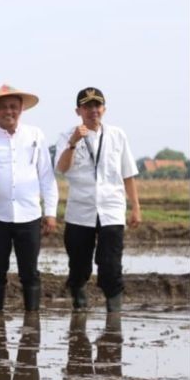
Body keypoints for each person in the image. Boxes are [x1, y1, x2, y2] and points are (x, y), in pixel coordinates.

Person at [0, 85, 58, 312]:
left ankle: (32, 320)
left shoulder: (35, 135)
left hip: (29, 215)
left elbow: (46, 175)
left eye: (13, 107)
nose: (9, 111)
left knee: (30, 272)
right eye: (4, 107)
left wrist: (50, 212)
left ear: (21, 109)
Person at [54, 87, 141, 312]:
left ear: (104, 108)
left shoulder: (117, 135)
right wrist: (73, 142)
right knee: (79, 264)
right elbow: (62, 168)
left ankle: (114, 314)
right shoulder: (66, 135)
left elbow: (128, 173)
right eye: (87, 106)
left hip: (111, 209)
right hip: (80, 211)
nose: (93, 110)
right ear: (78, 110)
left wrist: (136, 208)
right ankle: (79, 298)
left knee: (110, 264)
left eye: (97, 105)